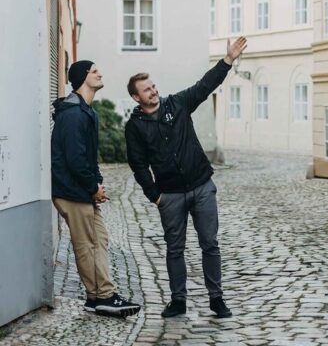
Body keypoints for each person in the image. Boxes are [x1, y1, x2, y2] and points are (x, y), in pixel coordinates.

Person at [125, 37, 247, 319]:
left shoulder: (177, 104)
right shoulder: (135, 127)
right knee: (175, 249)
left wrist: (228, 60)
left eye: (153, 86)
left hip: (201, 186)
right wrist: (155, 196)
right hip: (169, 195)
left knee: (210, 244)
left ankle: (216, 299)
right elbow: (138, 164)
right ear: (136, 97)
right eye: (147, 90)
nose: (153, 91)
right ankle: (178, 300)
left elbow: (205, 86)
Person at [51, 60, 142, 318]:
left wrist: (97, 183)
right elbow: (75, 159)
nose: (100, 73)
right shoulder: (73, 115)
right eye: (94, 71)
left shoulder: (85, 111)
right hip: (72, 192)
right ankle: (104, 297)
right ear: (83, 78)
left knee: (98, 240)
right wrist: (93, 187)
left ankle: (96, 298)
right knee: (87, 245)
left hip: (81, 191)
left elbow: (89, 157)